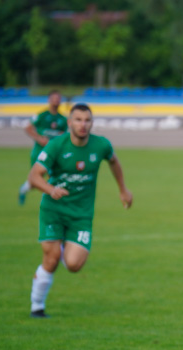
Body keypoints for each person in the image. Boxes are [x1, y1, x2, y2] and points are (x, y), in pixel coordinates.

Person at [27, 103, 133, 318]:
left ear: (92, 123)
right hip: (53, 210)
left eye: (87, 120)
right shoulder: (57, 145)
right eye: (78, 120)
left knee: (74, 265)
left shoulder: (101, 145)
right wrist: (50, 189)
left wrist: (123, 189)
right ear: (69, 122)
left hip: (81, 215)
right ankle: (37, 306)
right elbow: (34, 176)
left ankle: (67, 242)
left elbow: (114, 161)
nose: (83, 125)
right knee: (52, 258)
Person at [19, 90, 67, 205]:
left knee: (53, 178)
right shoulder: (42, 115)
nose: (56, 101)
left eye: (58, 98)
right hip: (39, 152)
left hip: (54, 154)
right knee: (35, 180)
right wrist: (39, 139)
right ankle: (24, 189)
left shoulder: (63, 119)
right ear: (49, 100)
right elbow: (28, 128)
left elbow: (64, 135)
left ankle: (50, 201)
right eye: (54, 98)